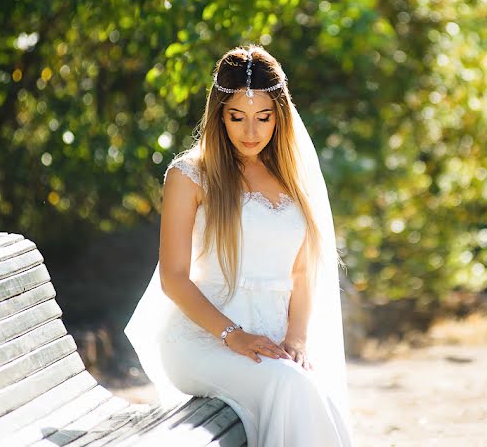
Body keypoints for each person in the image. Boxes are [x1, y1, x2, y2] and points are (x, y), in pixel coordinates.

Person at [124, 45, 354, 446]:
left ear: (279, 116)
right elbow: (174, 280)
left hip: (275, 340)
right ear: (219, 115)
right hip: (203, 339)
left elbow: (301, 272)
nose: (252, 132)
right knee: (290, 387)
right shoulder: (190, 176)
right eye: (237, 117)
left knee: (313, 390)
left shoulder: (293, 178)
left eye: (264, 118)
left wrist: (297, 340)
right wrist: (234, 336)